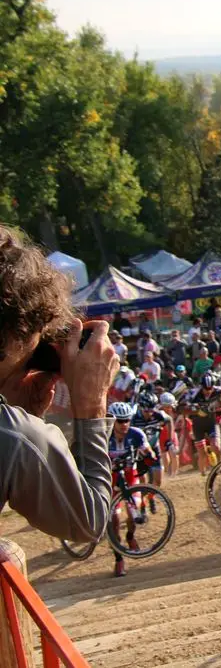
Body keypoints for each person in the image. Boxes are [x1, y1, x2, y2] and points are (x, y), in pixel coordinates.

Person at [0, 226, 119, 544]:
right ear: (14, 332)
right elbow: (88, 521)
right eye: (38, 328)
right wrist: (91, 407)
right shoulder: (12, 435)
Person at [106, 401, 157, 576]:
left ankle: (130, 536)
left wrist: (150, 456)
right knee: (113, 519)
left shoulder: (136, 434)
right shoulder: (103, 436)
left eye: (127, 420)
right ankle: (119, 560)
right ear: (112, 421)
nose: (124, 424)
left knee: (133, 512)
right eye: (120, 421)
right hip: (110, 480)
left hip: (129, 476)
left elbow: (148, 452)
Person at [131, 390, 173, 493]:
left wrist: (169, 439)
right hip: (139, 450)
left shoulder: (158, 415)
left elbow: (169, 420)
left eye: (151, 411)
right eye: (146, 412)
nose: (149, 414)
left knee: (158, 481)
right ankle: (143, 504)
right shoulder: (134, 418)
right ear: (141, 408)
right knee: (143, 482)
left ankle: (151, 498)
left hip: (154, 447)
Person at [184, 372, 221, 475]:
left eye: (210, 388)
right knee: (201, 453)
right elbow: (184, 409)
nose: (209, 391)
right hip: (198, 425)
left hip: (212, 423)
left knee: (216, 446)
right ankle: (203, 474)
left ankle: (219, 467)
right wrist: (196, 411)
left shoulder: (218, 391)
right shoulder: (194, 394)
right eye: (206, 389)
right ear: (201, 386)